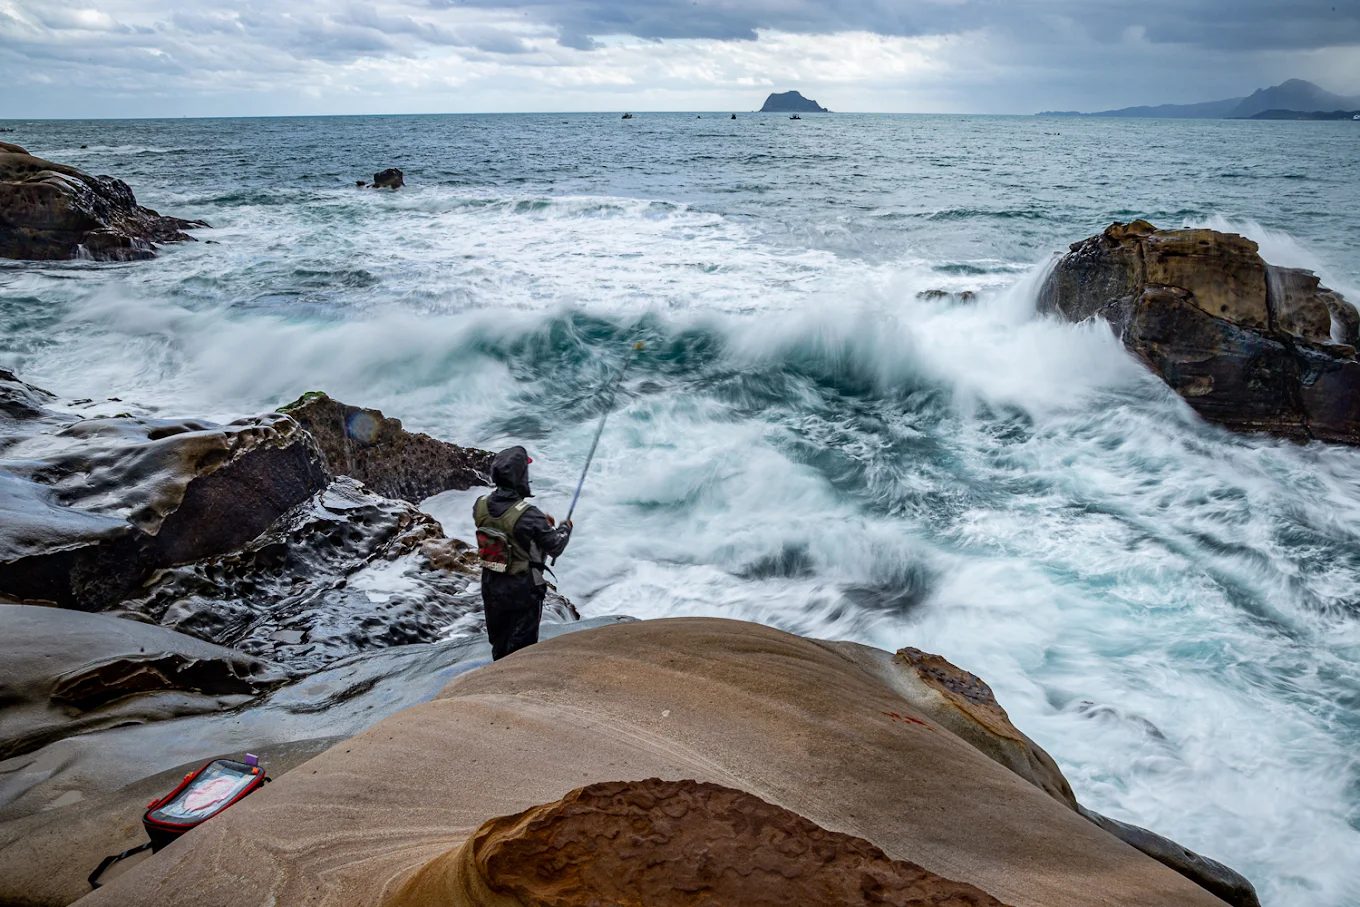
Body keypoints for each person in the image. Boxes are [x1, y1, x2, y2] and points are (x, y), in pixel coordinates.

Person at [473, 446, 573, 660]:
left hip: (491, 585)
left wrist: (539, 525)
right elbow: (555, 546)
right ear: (520, 477)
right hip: (522, 590)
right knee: (522, 652)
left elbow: (503, 526)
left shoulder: (480, 505)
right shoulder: (529, 515)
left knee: (499, 645)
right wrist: (564, 528)